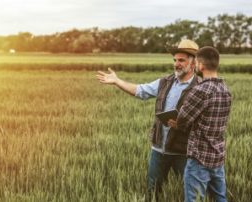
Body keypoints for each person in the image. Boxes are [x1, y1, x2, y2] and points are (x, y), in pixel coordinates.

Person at [96, 39, 201, 198]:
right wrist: (117, 81)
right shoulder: (164, 82)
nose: (176, 64)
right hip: (159, 149)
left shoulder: (201, 87)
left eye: (181, 60)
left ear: (193, 64)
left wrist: (184, 124)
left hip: (184, 152)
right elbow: (140, 90)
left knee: (192, 194)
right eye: (175, 60)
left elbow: (209, 122)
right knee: (153, 191)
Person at [168, 46, 232, 202]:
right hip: (217, 157)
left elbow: (182, 120)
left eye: (196, 63)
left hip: (199, 158)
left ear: (201, 65)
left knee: (194, 199)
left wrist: (176, 124)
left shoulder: (200, 90)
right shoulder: (226, 90)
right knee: (220, 198)